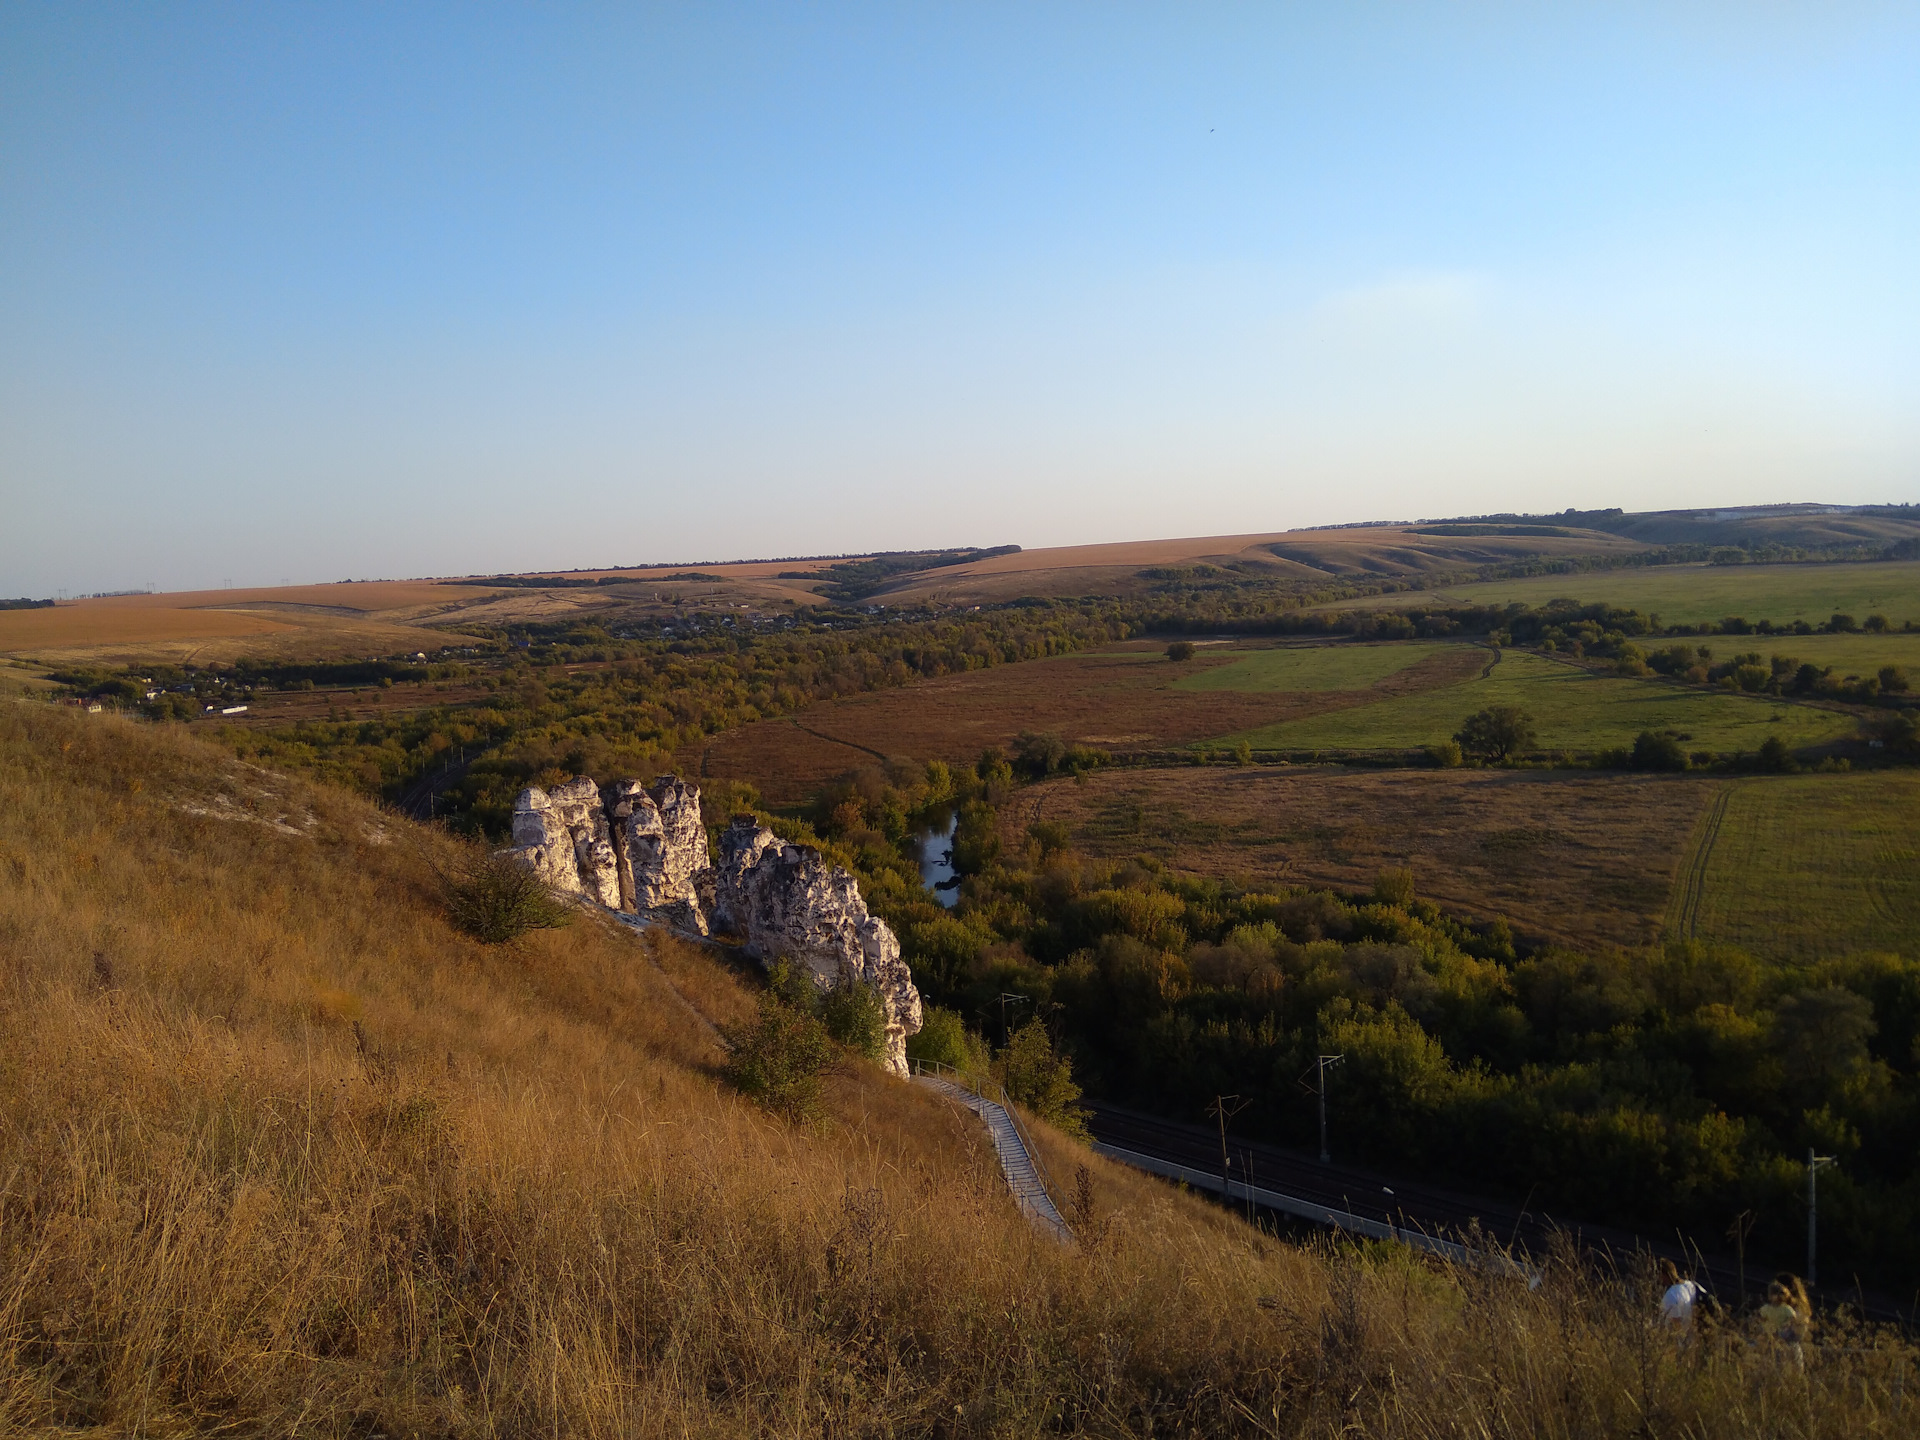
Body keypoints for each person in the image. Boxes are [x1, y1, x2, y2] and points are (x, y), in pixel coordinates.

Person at [1755, 1273, 1809, 1368]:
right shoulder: (1772, 1308)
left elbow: (1797, 1333)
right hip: (1775, 1350)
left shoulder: (1797, 1310)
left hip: (1788, 1352)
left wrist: (1775, 1335)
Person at [1656, 1258, 1701, 1340]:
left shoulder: (1671, 1295)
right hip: (1691, 1337)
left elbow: (1675, 1324)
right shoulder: (1690, 1285)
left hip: (1678, 1343)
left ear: (1663, 1275)